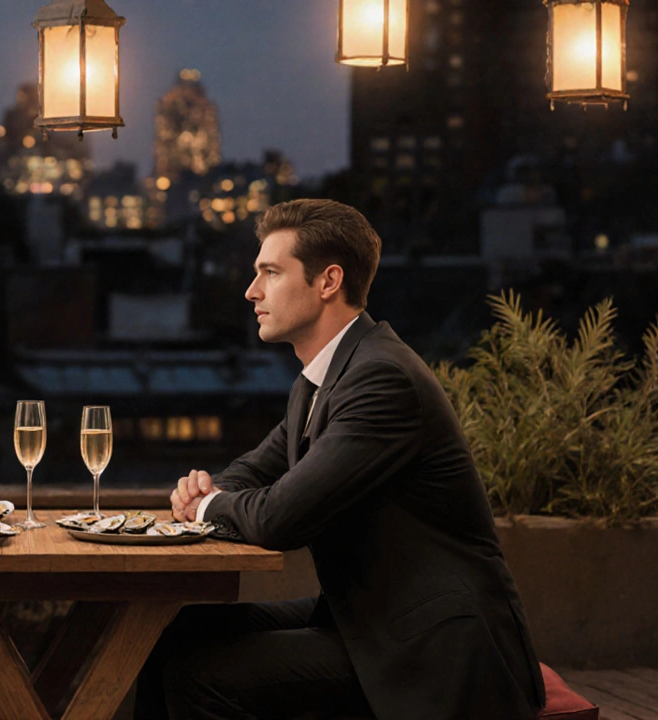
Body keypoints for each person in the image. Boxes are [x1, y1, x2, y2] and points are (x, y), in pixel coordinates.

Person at [135, 199, 545, 720]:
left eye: (270, 273)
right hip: (367, 622)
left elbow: (281, 518)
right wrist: (207, 493)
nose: (252, 291)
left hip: (435, 651)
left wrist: (208, 506)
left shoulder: (382, 379)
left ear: (328, 281)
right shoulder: (322, 380)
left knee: (201, 674)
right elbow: (255, 471)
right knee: (174, 634)